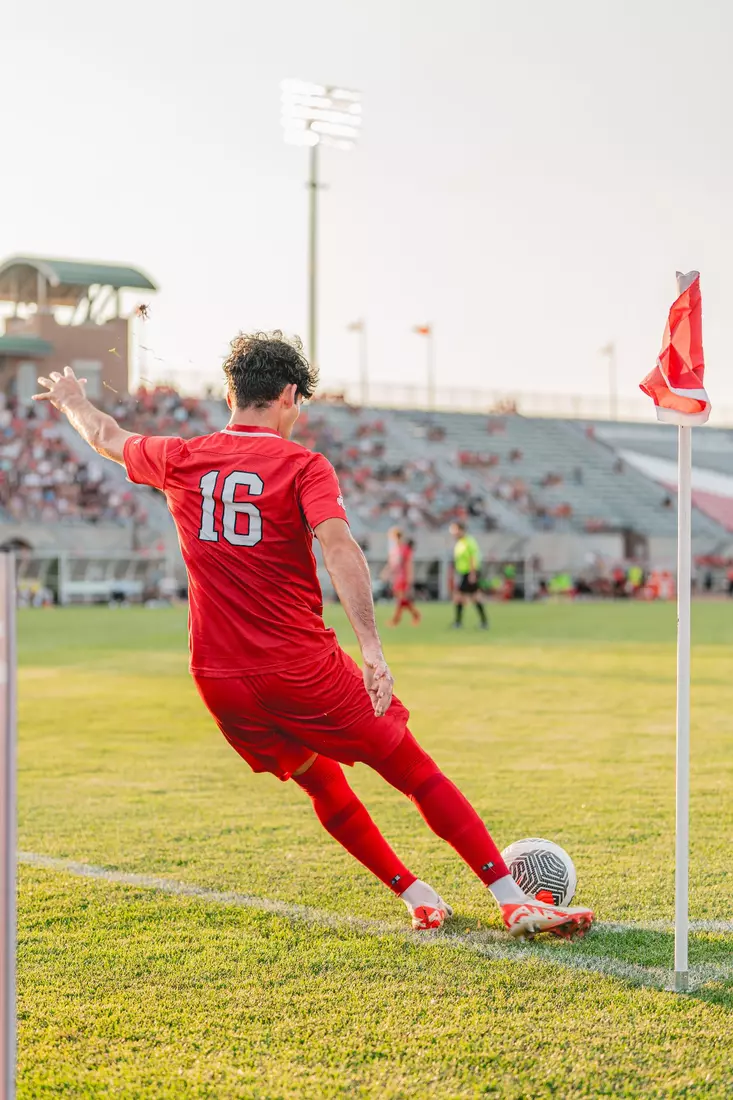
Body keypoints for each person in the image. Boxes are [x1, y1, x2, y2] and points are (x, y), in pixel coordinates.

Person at [33, 334, 593, 941]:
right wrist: (373, 649)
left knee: (319, 780)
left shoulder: (181, 455)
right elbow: (338, 545)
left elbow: (106, 436)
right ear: (289, 397)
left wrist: (69, 400)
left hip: (219, 680)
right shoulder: (302, 465)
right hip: (298, 667)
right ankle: (514, 900)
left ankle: (417, 895)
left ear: (230, 394)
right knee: (412, 769)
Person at [449, 521, 488, 629]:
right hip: (463, 573)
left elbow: (472, 558)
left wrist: (472, 573)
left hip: (469, 573)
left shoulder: (469, 541)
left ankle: (459, 622)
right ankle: (482, 622)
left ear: (461, 530)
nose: (453, 533)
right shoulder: (460, 543)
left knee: (463, 596)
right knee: (471, 596)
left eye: (455, 530)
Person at [385, 527, 421, 627]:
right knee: (401, 600)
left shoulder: (405, 549)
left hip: (403, 577)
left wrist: (410, 578)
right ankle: (415, 615)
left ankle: (396, 620)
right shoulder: (394, 550)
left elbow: (409, 564)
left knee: (401, 599)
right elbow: (391, 564)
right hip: (396, 577)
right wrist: (386, 573)